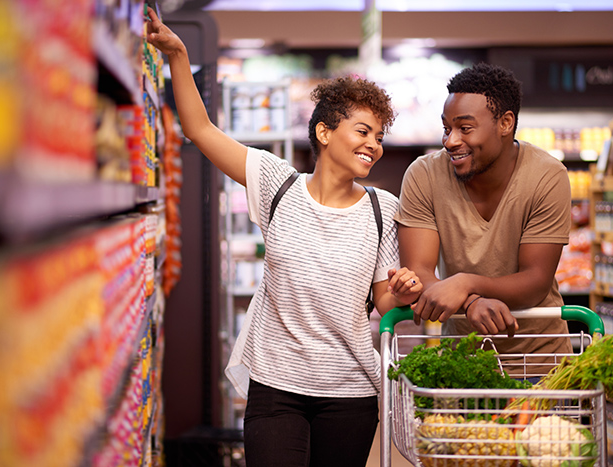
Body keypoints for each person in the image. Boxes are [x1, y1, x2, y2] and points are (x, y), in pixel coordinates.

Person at [145, 8, 422, 467]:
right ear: (325, 132)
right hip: (276, 387)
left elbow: (383, 301)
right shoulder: (279, 184)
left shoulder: (382, 208)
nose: (374, 144)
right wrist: (177, 54)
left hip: (349, 391)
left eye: (379, 135)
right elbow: (200, 129)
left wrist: (403, 290)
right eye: (362, 131)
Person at [395, 62, 572, 378]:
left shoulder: (547, 176)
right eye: (447, 128)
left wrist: (466, 283)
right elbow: (419, 272)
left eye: (465, 128)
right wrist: (473, 301)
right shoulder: (423, 175)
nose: (450, 140)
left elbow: (535, 280)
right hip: (464, 365)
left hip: (541, 363)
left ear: (505, 123)